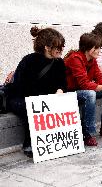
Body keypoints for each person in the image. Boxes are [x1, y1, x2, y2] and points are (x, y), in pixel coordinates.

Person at [7, 27, 66, 157]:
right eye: (58, 47)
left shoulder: (59, 63)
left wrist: (60, 90)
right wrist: (44, 98)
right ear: (46, 47)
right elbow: (21, 87)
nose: (61, 50)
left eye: (62, 46)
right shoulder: (29, 61)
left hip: (45, 99)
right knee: (32, 108)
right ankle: (29, 143)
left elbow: (63, 82)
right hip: (21, 98)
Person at [64, 33, 102, 147]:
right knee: (90, 94)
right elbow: (85, 84)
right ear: (89, 49)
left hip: (83, 90)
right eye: (97, 48)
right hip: (70, 92)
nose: (99, 50)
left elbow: (100, 80)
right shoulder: (75, 59)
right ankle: (86, 132)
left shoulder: (92, 60)